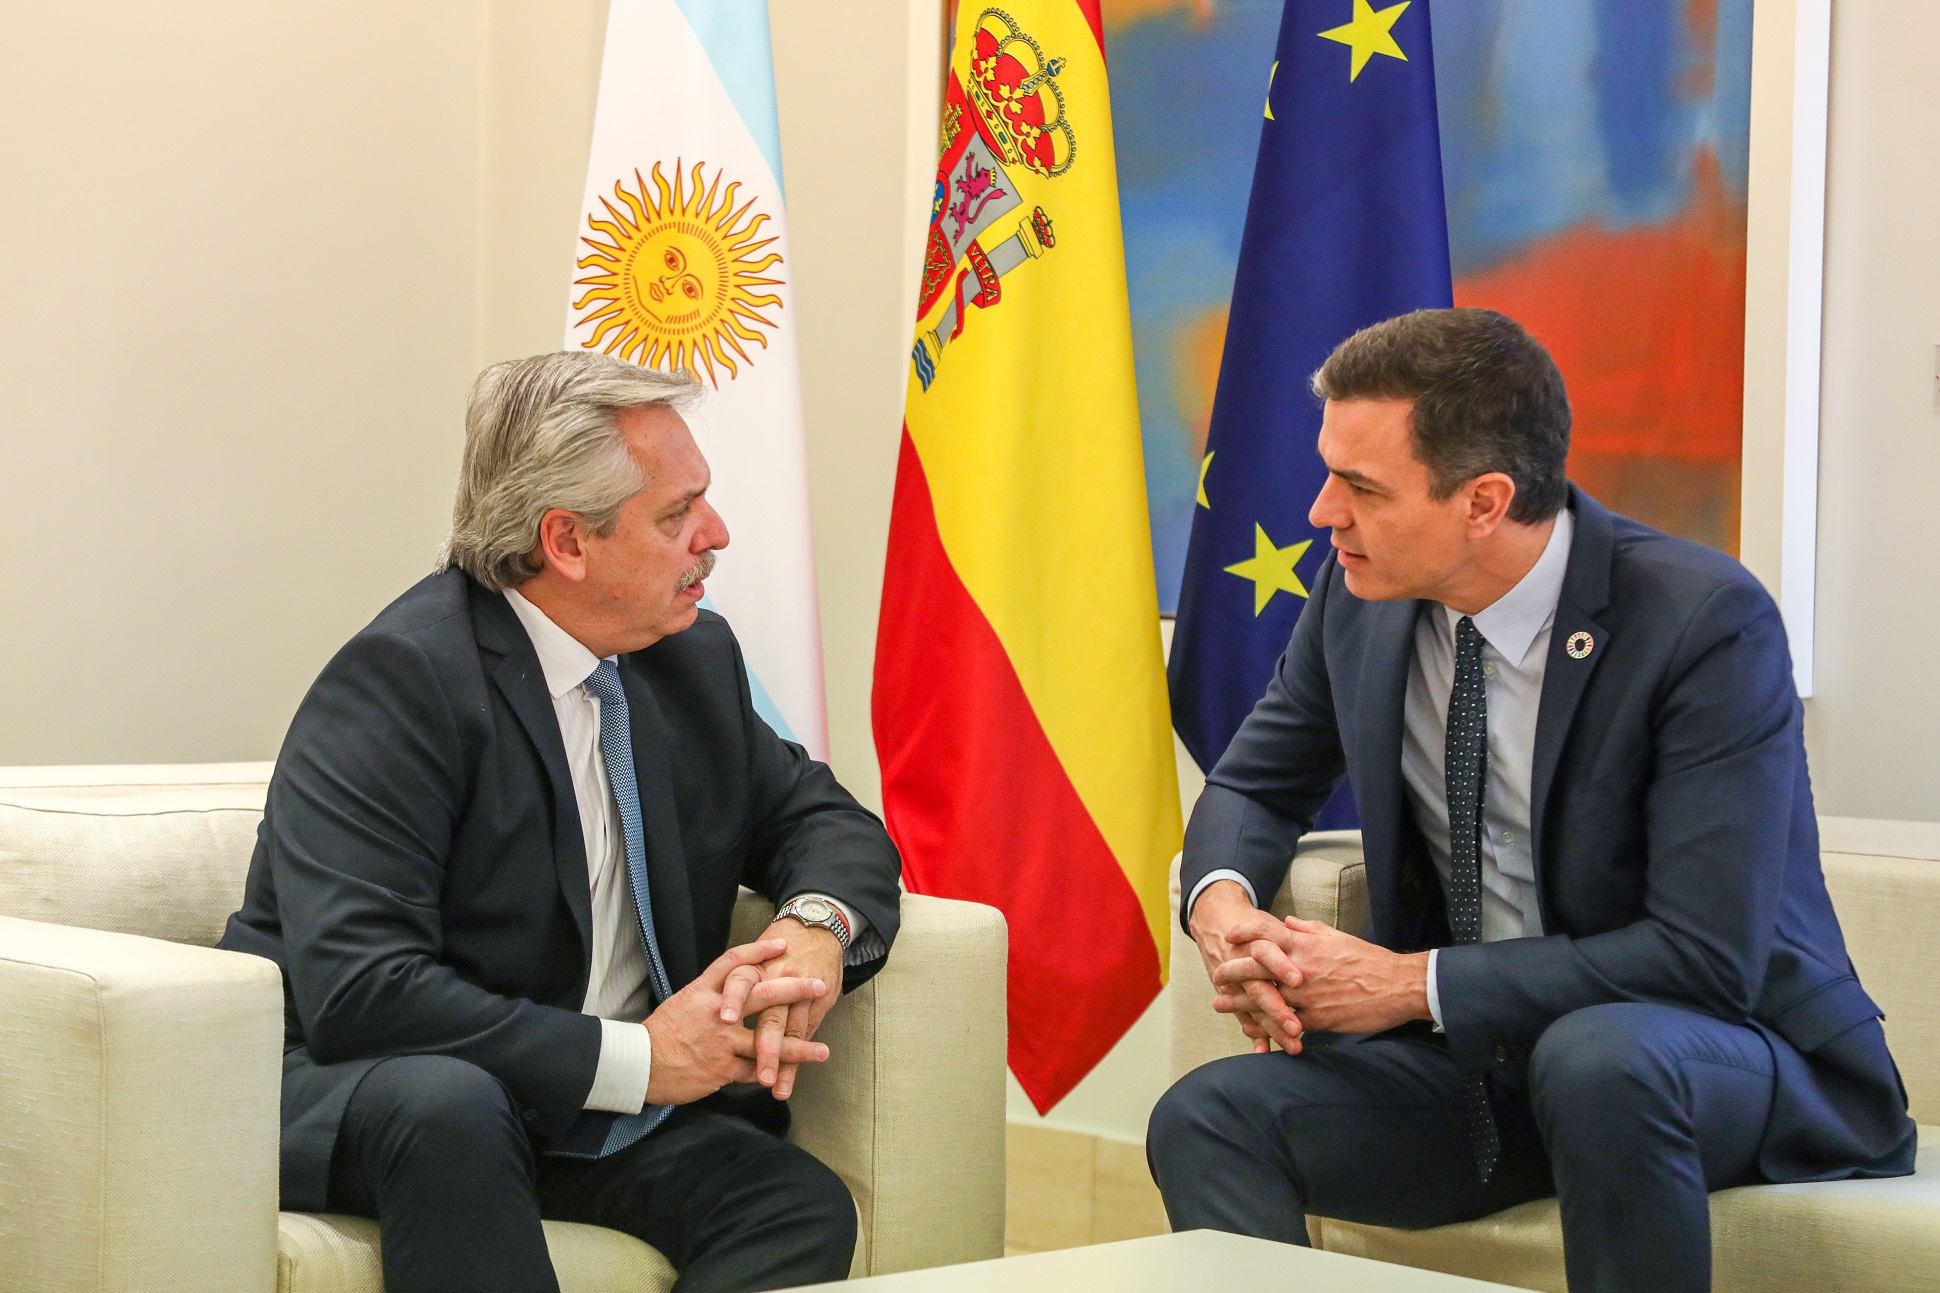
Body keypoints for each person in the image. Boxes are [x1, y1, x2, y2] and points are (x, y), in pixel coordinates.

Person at [1146, 309, 1914, 1293]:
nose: (1321, 512)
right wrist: (1222, 909)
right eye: (1329, 472)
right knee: (1207, 1117)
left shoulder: (1699, 622)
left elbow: (1704, 956)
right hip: (1491, 1062)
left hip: (1717, 1056)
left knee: (1597, 1060)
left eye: (1361, 487)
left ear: (1483, 501)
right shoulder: (1358, 598)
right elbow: (1257, 780)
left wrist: (1406, 984)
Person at [219, 351, 902, 1293]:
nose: (717, 533)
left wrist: (813, 930)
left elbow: (826, 821)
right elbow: (364, 990)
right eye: (677, 514)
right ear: (568, 541)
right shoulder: (403, 681)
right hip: (367, 1085)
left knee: (794, 1202)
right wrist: (643, 1058)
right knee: (452, 1105)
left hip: (564, 1107)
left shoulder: (687, 660)